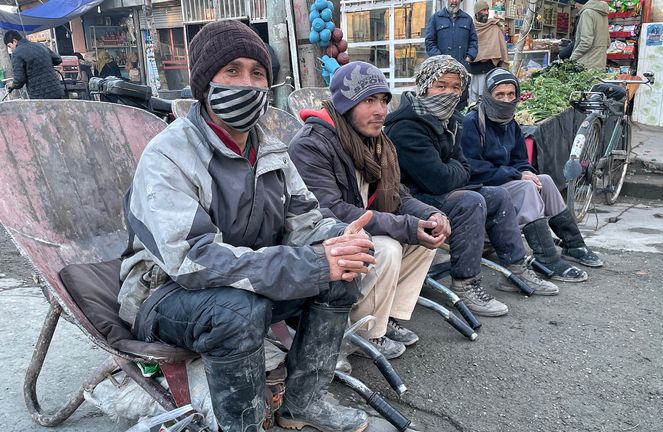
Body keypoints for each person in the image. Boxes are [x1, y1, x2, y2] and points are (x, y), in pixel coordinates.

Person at [118, 20, 371, 432]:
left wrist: (339, 240)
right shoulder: (169, 155)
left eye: (258, 74)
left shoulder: (271, 148)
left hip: (247, 279)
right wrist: (311, 265)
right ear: (205, 84)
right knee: (238, 311)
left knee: (341, 274)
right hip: (164, 292)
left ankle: (303, 403)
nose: (248, 84)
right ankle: (243, 425)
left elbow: (305, 222)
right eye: (232, 71)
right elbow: (194, 260)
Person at [289, 61, 445, 359]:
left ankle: (387, 320)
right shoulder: (312, 144)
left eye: (384, 100)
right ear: (345, 104)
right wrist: (406, 226)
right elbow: (331, 212)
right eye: (368, 100)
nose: (381, 110)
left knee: (425, 240)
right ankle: (365, 332)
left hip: (356, 229)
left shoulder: (375, 142)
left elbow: (397, 195)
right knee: (386, 247)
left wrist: (429, 215)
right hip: (321, 239)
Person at [385, 55, 560, 318]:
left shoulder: (449, 120)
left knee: (498, 195)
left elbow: (463, 169)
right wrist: (456, 171)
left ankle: (515, 267)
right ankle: (466, 283)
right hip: (412, 198)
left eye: (455, 87)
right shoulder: (406, 126)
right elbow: (437, 179)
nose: (449, 93)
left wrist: (455, 171)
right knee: (470, 201)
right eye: (440, 86)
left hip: (439, 192)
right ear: (424, 87)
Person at [461, 68, 601, 282]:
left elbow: (520, 160)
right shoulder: (472, 122)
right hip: (482, 185)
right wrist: (516, 175)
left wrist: (526, 171)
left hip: (505, 180)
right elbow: (471, 167)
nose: (506, 100)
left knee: (544, 180)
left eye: (511, 94)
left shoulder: (511, 123)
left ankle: (574, 244)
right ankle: (546, 258)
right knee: (527, 188)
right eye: (500, 95)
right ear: (488, 96)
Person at [424, 0, 478, 111]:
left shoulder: (467, 19)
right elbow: (429, 42)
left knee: (461, 104)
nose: (454, 1)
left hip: (462, 72)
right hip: (441, 73)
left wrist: (468, 58)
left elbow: (474, 42)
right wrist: (441, 60)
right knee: (440, 105)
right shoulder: (436, 18)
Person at [468, 0, 509, 105]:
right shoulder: (470, 27)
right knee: (474, 100)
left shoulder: (494, 27)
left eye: (487, 10)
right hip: (473, 70)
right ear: (477, 12)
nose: (486, 13)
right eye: (483, 10)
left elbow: (502, 48)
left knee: (489, 98)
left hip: (490, 69)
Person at [3, 30, 64, 99]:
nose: (11, 49)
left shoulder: (16, 53)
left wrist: (12, 85)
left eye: (10, 46)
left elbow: (19, 80)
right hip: (56, 90)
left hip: (39, 95)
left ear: (14, 41)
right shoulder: (40, 45)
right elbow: (58, 59)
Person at [569, 0, 610, 71]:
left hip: (586, 65)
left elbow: (586, 42)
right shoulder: (603, 14)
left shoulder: (587, 13)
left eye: (576, 3)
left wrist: (572, 58)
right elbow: (608, 42)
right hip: (600, 64)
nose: (575, 6)